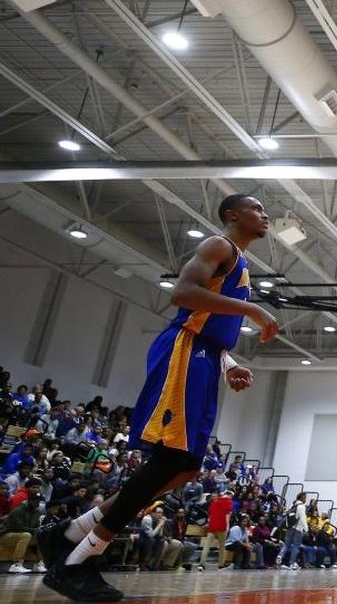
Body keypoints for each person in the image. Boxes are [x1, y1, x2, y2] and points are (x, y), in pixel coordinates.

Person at [37, 194, 278, 602]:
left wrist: (228, 362)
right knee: (168, 460)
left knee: (183, 469)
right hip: (184, 353)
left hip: (205, 355)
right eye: (257, 209)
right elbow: (183, 295)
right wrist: (251, 310)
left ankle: (72, 532)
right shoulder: (219, 246)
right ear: (233, 215)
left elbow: (207, 325)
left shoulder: (242, 265)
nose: (265, 214)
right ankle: (78, 562)